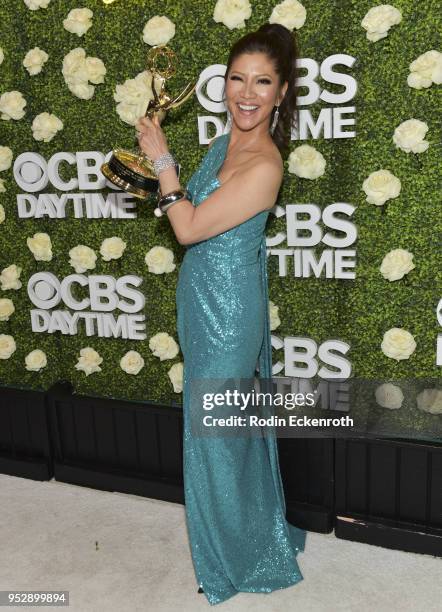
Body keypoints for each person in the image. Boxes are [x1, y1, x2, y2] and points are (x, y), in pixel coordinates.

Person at [136, 22, 306, 606]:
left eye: (263, 82)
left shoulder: (264, 165)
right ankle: (249, 533)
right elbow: (195, 213)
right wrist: (161, 167)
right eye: (238, 78)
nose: (247, 93)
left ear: (282, 92)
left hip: (229, 318)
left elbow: (185, 227)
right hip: (200, 302)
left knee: (216, 437)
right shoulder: (226, 141)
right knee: (225, 431)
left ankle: (234, 559)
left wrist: (162, 161)